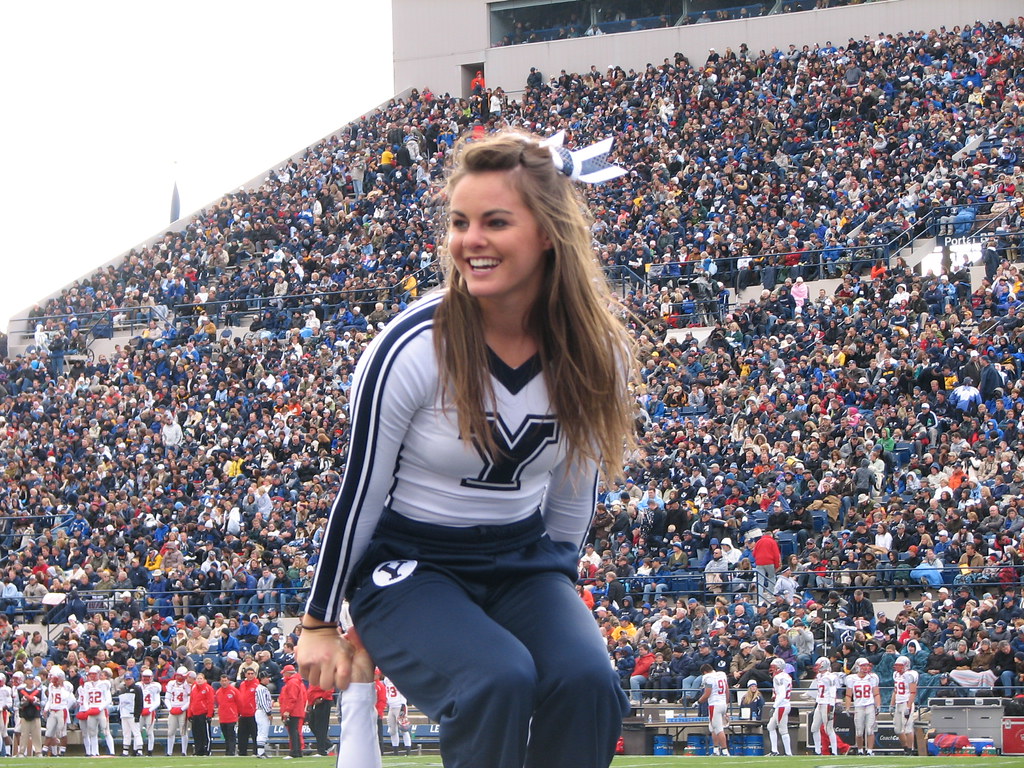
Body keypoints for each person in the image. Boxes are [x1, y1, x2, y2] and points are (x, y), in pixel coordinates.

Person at [297, 128, 633, 768]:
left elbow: (572, 498)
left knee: (589, 683)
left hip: (523, 561)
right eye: (459, 222)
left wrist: (556, 600)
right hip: (411, 567)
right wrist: (318, 620)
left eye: (495, 222)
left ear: (547, 233)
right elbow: (360, 493)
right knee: (495, 680)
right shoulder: (409, 347)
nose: (469, 241)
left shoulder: (598, 352)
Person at [845, 657, 880, 756]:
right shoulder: (852, 678)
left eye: (866, 665)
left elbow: (876, 693)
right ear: (857, 666)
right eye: (863, 665)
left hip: (869, 705)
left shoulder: (872, 677)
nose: (865, 668)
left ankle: (869, 751)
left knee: (870, 729)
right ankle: (860, 750)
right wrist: (847, 707)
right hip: (858, 706)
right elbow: (848, 695)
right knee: (859, 731)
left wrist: (878, 705)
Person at [698, 663, 731, 756]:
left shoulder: (708, 677)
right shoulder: (721, 674)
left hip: (714, 705)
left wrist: (698, 701)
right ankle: (716, 750)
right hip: (723, 703)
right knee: (712, 727)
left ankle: (725, 751)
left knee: (718, 728)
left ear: (704, 672)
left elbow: (707, 693)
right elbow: (727, 690)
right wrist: (726, 703)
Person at [810, 656, 839, 756]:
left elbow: (832, 693)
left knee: (828, 729)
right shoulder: (819, 676)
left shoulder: (830, 677)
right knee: (814, 728)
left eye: (818, 665)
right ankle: (818, 751)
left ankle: (835, 751)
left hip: (827, 704)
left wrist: (831, 707)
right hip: (820, 703)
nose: (817, 667)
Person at [76, 666, 107, 757]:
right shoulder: (87, 686)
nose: (92, 676)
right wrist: (88, 708)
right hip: (90, 710)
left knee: (105, 730)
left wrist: (100, 708)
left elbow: (107, 699)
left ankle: (111, 750)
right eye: (91, 674)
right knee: (92, 732)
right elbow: (85, 699)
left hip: (100, 710)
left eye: (94, 674)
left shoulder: (104, 683)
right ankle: (94, 752)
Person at [891, 655, 919, 755]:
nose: (897, 667)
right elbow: (895, 691)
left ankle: (911, 750)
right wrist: (892, 704)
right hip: (898, 703)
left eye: (900, 665)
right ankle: (906, 748)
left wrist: (908, 706)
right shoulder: (896, 675)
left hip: (906, 703)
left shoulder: (910, 675)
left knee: (907, 729)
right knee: (897, 730)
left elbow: (913, 692)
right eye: (897, 665)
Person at [43, 668, 73, 758]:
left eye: (55, 678)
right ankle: (44, 749)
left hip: (61, 711)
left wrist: (61, 686)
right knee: (49, 731)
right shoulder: (51, 686)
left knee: (61, 731)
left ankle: (62, 750)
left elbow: (69, 699)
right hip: (53, 710)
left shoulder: (67, 686)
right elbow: (50, 699)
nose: (53, 680)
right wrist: (46, 709)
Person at [278, 664, 307, 759]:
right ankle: (298, 751)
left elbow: (292, 698)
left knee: (293, 732)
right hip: (296, 710)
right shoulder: (296, 682)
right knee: (295, 732)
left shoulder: (292, 683)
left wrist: (287, 710)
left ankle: (294, 752)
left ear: (287, 673)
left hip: (294, 711)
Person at [766, 657, 793, 756]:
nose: (772, 669)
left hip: (782, 705)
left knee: (783, 730)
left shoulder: (779, 677)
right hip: (784, 704)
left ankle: (788, 753)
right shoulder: (785, 676)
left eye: (774, 667)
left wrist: (774, 706)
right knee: (770, 727)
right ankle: (774, 751)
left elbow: (781, 694)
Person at [164, 666, 191, 756]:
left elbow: (190, 700)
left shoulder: (188, 685)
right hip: (173, 709)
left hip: (182, 709)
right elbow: (167, 698)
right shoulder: (171, 684)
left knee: (183, 731)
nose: (179, 678)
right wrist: (170, 708)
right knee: (170, 732)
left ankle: (184, 752)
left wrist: (182, 708)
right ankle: (169, 752)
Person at [116, 673, 145, 757]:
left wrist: (137, 715)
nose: (128, 681)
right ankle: (125, 751)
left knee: (136, 732)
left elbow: (139, 702)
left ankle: (139, 750)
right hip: (124, 714)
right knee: (126, 733)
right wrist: (119, 715)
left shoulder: (137, 688)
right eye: (126, 679)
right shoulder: (123, 690)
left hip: (132, 714)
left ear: (132, 679)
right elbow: (121, 704)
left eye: (129, 679)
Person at [383, 676, 412, 756]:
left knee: (404, 729)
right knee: (392, 730)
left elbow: (405, 691)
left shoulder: (399, 677)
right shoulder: (386, 679)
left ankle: (408, 752)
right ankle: (395, 752)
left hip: (400, 706)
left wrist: (403, 705)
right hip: (391, 707)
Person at [187, 672, 215, 756]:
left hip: (204, 713)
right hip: (195, 714)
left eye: (200, 678)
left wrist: (209, 714)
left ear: (204, 680)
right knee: (196, 733)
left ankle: (207, 750)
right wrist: (189, 713)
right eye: (197, 679)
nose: (199, 680)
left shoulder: (208, 688)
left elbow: (210, 702)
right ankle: (198, 750)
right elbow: (191, 701)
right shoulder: (194, 688)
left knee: (205, 733)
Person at [305, 681, 336, 757]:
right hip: (314, 703)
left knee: (321, 726)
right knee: (312, 725)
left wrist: (322, 698)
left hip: (323, 702)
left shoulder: (323, 674)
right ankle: (327, 744)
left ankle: (322, 750)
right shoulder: (314, 676)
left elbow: (330, 687)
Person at [215, 672, 240, 756]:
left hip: (231, 717)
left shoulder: (234, 691)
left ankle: (231, 751)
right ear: (220, 682)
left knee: (231, 735)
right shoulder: (218, 692)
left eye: (225, 680)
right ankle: (227, 751)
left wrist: (237, 714)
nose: (224, 682)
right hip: (223, 718)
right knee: (225, 736)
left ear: (228, 681)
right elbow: (218, 703)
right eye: (222, 681)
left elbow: (239, 702)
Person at [237, 667, 259, 757]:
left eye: (252, 673)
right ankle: (242, 752)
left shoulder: (257, 685)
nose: (250, 675)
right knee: (242, 735)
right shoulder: (242, 684)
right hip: (243, 714)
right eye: (248, 673)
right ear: (245, 674)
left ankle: (256, 752)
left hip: (253, 714)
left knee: (255, 734)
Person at [139, 668, 161, 756]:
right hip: (140, 711)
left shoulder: (155, 686)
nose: (146, 679)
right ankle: (138, 749)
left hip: (149, 710)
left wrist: (149, 709)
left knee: (149, 731)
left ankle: (150, 750)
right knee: (138, 731)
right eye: (144, 677)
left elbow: (157, 701)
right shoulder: (138, 685)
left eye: (147, 677)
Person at [254, 671, 274, 759]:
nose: (268, 679)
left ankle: (261, 751)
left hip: (261, 711)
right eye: (267, 677)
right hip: (262, 712)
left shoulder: (262, 688)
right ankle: (260, 752)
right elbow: (263, 702)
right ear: (262, 679)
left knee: (261, 732)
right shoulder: (261, 688)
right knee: (263, 732)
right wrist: (268, 712)